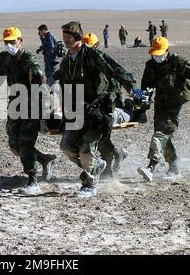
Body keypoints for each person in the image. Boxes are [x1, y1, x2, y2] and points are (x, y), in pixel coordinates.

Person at [58, 22, 139, 197]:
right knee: (66, 147)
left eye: (69, 36)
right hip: (77, 112)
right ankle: (98, 165)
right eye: (64, 36)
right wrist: (65, 116)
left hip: (99, 111)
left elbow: (114, 69)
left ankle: (90, 185)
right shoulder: (66, 63)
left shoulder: (92, 55)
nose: (65, 40)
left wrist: (131, 88)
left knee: (86, 150)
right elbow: (65, 90)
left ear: (77, 37)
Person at [0, 27, 56, 196]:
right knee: (15, 145)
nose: (9, 45)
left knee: (25, 144)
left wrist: (43, 115)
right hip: (15, 105)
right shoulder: (4, 59)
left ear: (20, 41)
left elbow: (42, 89)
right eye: (6, 42)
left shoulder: (30, 62)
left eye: (12, 42)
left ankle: (33, 181)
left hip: (33, 106)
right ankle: (45, 159)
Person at [137, 37, 190, 182]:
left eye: (159, 54)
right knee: (162, 133)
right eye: (154, 54)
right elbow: (146, 89)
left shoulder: (178, 62)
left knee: (162, 132)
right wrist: (142, 110)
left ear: (167, 51)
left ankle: (151, 167)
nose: (156, 57)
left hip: (176, 100)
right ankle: (174, 166)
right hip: (161, 101)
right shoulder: (151, 66)